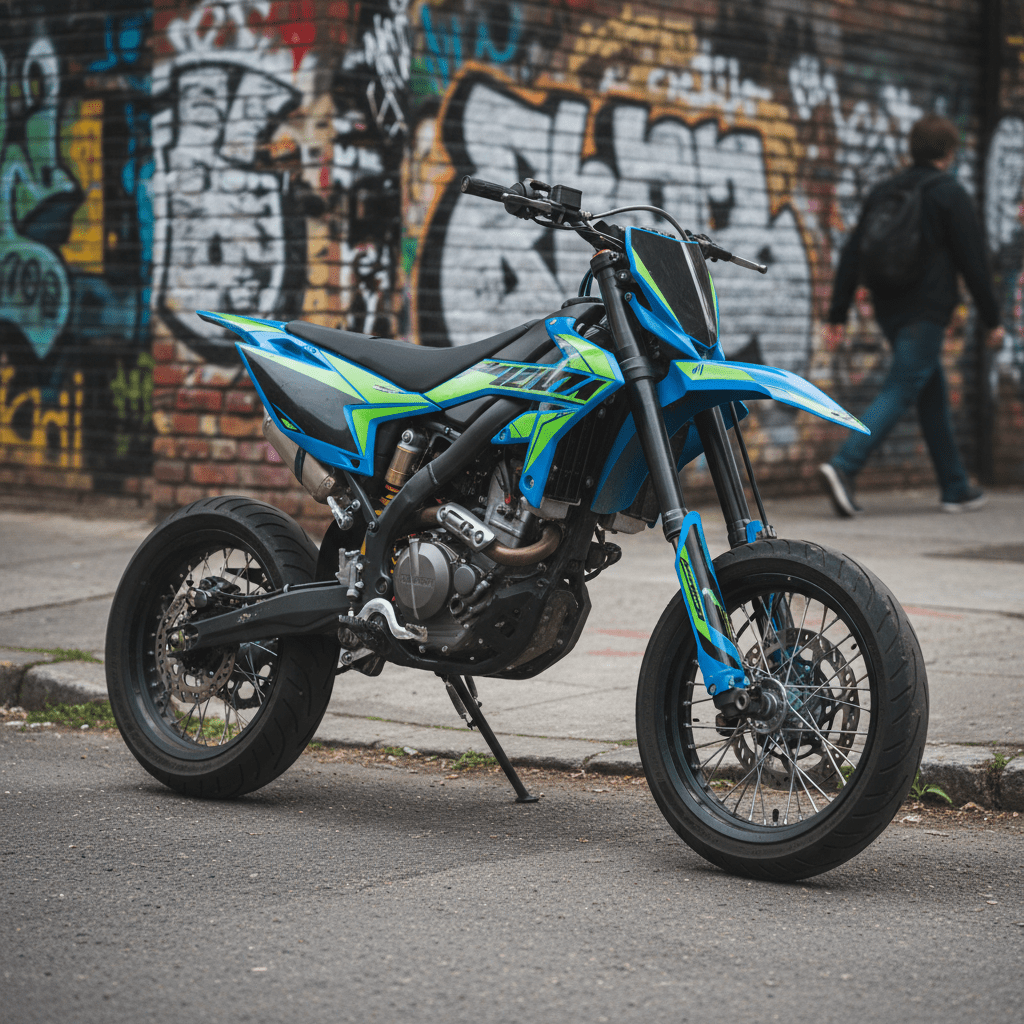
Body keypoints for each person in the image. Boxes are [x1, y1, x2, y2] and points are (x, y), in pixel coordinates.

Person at [819, 114, 1004, 516]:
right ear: (950, 152)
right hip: (927, 310)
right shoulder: (949, 193)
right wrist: (993, 319)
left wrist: (837, 313)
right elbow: (974, 262)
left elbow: (853, 254)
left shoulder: (885, 190)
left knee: (928, 389)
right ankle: (845, 464)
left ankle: (954, 486)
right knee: (904, 384)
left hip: (888, 307)